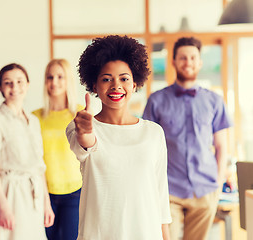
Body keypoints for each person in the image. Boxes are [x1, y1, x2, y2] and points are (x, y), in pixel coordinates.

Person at [66, 35, 172, 240]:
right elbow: (86, 145)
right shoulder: (79, 127)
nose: (116, 85)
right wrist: (85, 132)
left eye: (124, 78)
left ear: (135, 84)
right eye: (106, 79)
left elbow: (160, 195)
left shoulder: (154, 133)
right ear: (94, 86)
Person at [143, 36, 232, 240]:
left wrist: (217, 186)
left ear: (200, 62)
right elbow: (147, 148)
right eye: (183, 57)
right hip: (168, 190)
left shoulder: (214, 101)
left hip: (205, 190)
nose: (188, 62)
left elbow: (221, 147)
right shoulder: (156, 101)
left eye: (193, 57)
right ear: (173, 61)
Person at [0, 63, 54, 240]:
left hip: (34, 194)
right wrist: (4, 206)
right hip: (9, 193)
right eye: (8, 83)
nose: (14, 87)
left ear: (27, 85)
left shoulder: (33, 121)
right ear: (0, 87)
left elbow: (39, 166)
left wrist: (46, 202)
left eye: (19, 81)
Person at [33, 59, 83, 240]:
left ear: (68, 80)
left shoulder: (81, 113)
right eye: (50, 77)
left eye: (60, 77)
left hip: (75, 193)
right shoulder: (34, 117)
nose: (54, 82)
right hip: (44, 193)